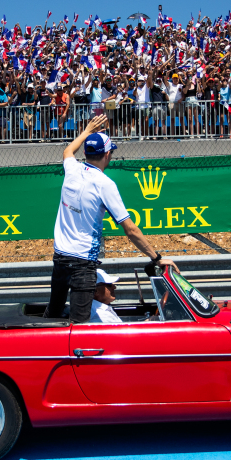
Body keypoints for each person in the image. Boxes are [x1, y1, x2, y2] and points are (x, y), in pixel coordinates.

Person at [45, 114, 178, 323]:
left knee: (53, 317)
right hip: (82, 264)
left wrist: (88, 130)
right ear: (107, 154)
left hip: (60, 259)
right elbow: (130, 229)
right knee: (78, 327)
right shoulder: (105, 184)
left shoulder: (71, 169)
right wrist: (157, 258)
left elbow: (68, 150)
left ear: (87, 152)